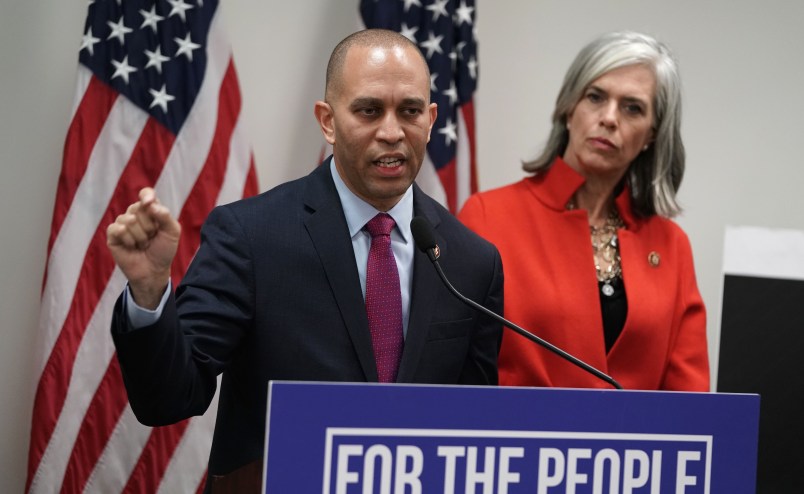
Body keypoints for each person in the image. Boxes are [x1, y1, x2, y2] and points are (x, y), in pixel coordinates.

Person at [106, 29, 503, 487]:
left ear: (431, 119)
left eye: (410, 111)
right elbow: (170, 399)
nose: (392, 132)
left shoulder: (473, 262)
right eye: (369, 110)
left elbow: (472, 431)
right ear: (328, 120)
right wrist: (150, 290)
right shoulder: (251, 236)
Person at [458, 31, 709, 391]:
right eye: (596, 97)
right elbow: (458, 371)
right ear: (568, 107)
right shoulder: (488, 216)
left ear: (652, 134)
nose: (609, 118)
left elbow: (690, 403)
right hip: (520, 441)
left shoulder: (671, 245)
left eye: (632, 107)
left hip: (636, 447)